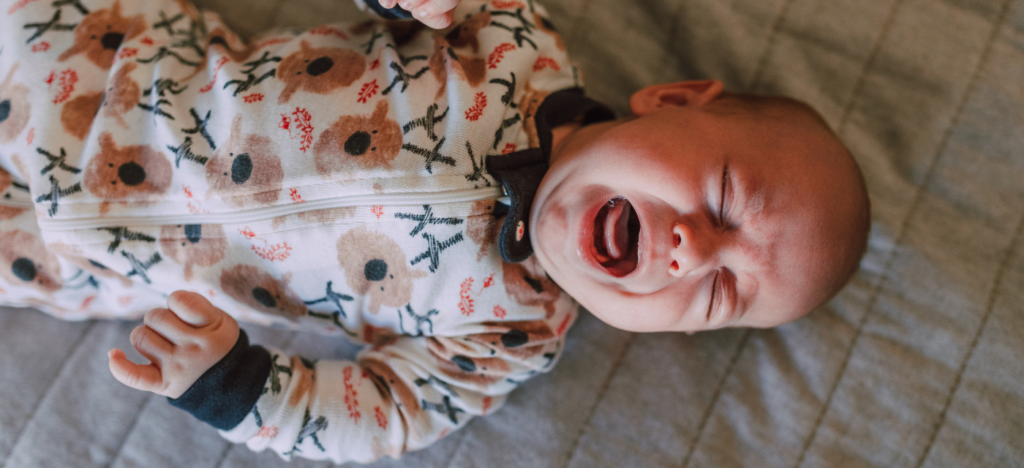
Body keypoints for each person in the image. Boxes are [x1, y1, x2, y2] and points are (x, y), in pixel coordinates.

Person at [0, 0, 869, 463]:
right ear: (674, 101)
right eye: (721, 198)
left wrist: (237, 388)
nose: (690, 249)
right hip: (95, 58)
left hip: (73, 251)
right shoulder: (513, 47)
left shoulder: (510, 334)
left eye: (716, 292)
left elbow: (381, 417)